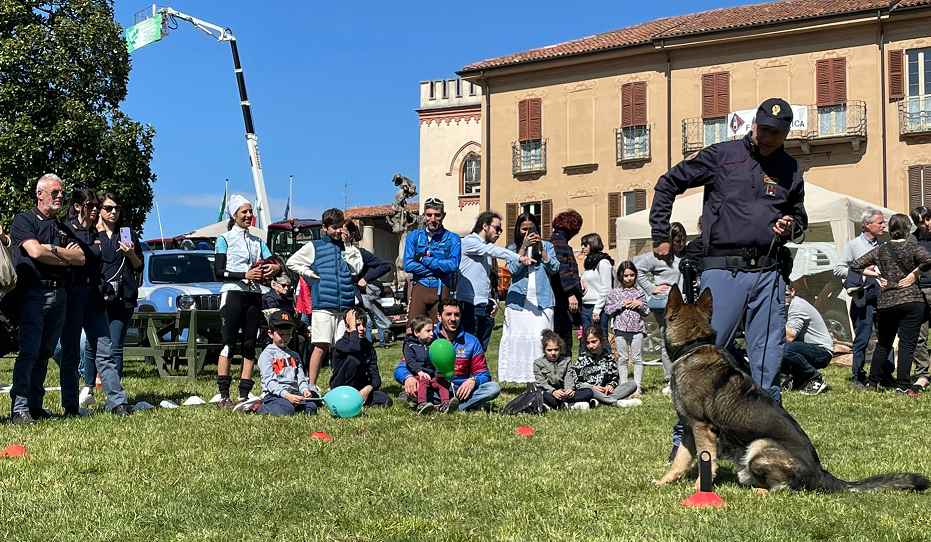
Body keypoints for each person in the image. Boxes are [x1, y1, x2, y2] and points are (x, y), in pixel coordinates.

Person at [649, 98, 807, 403]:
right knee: (706, 351)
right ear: (754, 125)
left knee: (768, 355)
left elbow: (799, 216)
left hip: (769, 272)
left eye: (775, 132)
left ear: (786, 133)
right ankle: (687, 437)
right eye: (763, 129)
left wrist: (791, 226)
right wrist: (660, 233)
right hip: (723, 269)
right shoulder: (722, 155)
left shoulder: (791, 169)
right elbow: (668, 183)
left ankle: (766, 432)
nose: (767, 136)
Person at [8, 174, 85, 424]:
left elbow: (81, 258)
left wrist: (50, 250)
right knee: (29, 351)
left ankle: (35, 405)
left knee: (45, 352)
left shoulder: (61, 228)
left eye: (61, 192)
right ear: (40, 194)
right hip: (34, 293)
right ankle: (20, 408)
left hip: (60, 294)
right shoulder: (24, 220)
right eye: (55, 192)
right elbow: (34, 251)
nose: (60, 196)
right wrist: (60, 254)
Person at [60, 188, 130, 417]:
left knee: (105, 350)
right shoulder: (66, 230)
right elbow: (70, 259)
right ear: (79, 206)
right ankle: (70, 405)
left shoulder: (99, 233)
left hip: (95, 294)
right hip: (73, 292)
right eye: (90, 206)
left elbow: (108, 257)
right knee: (71, 352)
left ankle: (117, 402)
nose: (95, 210)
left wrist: (101, 235)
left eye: (96, 207)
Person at [850, 213, 931, 397]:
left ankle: (872, 383)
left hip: (887, 301)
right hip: (911, 300)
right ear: (908, 229)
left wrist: (877, 275)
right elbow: (928, 260)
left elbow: (856, 265)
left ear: (890, 229)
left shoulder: (881, 250)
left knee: (883, 344)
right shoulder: (913, 248)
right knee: (907, 344)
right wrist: (914, 274)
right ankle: (902, 385)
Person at [214, 195, 281, 410]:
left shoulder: (258, 241)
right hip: (233, 293)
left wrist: (275, 268)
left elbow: (275, 261)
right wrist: (245, 274)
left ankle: (244, 394)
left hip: (254, 294)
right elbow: (219, 271)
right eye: (244, 212)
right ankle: (224, 394)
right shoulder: (224, 239)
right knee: (229, 344)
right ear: (234, 215)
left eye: (251, 211)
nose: (249, 215)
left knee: (250, 344)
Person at [287, 208, 362, 396]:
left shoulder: (348, 247)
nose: (338, 231)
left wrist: (349, 246)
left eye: (340, 227)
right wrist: (309, 273)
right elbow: (292, 262)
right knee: (320, 346)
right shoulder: (315, 247)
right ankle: (311, 385)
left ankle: (338, 383)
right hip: (323, 306)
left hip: (344, 305)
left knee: (341, 348)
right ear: (324, 227)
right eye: (334, 227)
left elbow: (356, 269)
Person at [79, 192, 144, 407]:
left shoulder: (127, 234)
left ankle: (113, 394)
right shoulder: (92, 234)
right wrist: (100, 232)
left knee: (115, 346)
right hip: (98, 295)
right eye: (108, 208)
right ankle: (88, 387)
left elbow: (139, 266)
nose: (113, 212)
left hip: (123, 296)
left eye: (116, 208)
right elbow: (103, 257)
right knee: (92, 344)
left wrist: (131, 253)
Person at [394, 298, 500, 411]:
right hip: (435, 387)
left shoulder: (472, 341)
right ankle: (455, 405)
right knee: (419, 387)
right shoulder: (428, 338)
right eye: (448, 314)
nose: (453, 319)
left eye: (457, 315)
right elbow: (401, 368)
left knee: (493, 388)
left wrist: (473, 380)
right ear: (439, 316)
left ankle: (450, 406)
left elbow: (484, 374)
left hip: (461, 390)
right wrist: (407, 377)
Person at [498, 213, 560, 387]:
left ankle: (543, 382)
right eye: (524, 229)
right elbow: (513, 270)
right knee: (521, 342)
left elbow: (554, 268)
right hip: (519, 303)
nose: (527, 232)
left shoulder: (547, 246)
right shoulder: (511, 248)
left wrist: (541, 248)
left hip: (543, 301)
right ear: (518, 229)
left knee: (541, 340)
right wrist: (523, 249)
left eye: (531, 228)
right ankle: (527, 383)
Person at [457, 211, 530, 351]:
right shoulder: (470, 242)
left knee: (480, 352)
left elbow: (488, 279)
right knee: (466, 350)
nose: (499, 233)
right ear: (485, 225)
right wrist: (519, 257)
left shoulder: (486, 251)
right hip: (469, 305)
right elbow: (493, 250)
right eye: (497, 228)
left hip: (485, 307)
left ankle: (478, 373)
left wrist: (494, 301)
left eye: (500, 229)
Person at [834, 209, 886, 389]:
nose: (883, 226)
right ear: (867, 224)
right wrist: (861, 270)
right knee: (862, 339)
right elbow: (838, 269)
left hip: (882, 298)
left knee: (885, 337)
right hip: (862, 299)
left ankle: (885, 375)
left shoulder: (884, 246)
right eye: (880, 223)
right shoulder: (852, 245)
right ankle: (858, 375)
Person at [633, 222, 686, 391]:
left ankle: (683, 376)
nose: (680, 244)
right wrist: (651, 288)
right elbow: (637, 269)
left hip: (683, 302)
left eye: (683, 240)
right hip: (663, 303)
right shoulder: (657, 257)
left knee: (683, 340)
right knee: (667, 340)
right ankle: (670, 378)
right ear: (670, 240)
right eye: (677, 241)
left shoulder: (684, 255)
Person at [235, 309, 317, 416]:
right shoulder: (266, 355)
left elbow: (300, 377)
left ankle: (292, 405)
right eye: (281, 334)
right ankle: (257, 407)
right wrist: (287, 396)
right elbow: (270, 382)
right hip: (274, 394)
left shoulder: (294, 355)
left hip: (294, 393)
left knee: (311, 407)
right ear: (271, 334)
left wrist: (305, 390)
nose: (285, 338)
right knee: (287, 411)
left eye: (288, 334)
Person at [403, 198, 461, 325]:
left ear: (443, 215)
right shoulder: (414, 237)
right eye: (429, 215)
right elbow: (407, 265)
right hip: (420, 286)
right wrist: (439, 267)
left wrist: (424, 259)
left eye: (437, 215)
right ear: (424, 215)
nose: (433, 219)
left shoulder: (453, 238)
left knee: (440, 332)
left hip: (442, 287)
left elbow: (453, 265)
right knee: (413, 331)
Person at [343, 219, 392, 348]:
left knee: (358, 330)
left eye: (344, 230)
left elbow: (384, 266)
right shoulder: (331, 252)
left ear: (352, 234)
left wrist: (366, 278)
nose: (340, 232)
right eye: (338, 229)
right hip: (335, 298)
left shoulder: (360, 253)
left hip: (353, 298)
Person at [330, 308, 393, 407]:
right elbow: (354, 348)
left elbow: (376, 378)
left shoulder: (369, 347)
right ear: (347, 328)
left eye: (364, 325)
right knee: (354, 360)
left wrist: (368, 388)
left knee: (386, 401)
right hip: (341, 388)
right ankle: (348, 400)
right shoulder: (341, 344)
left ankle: (359, 400)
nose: (362, 328)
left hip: (360, 387)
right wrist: (353, 330)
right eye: (357, 325)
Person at [567, 325, 641, 408]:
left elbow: (614, 377)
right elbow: (575, 381)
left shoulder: (609, 358)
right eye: (588, 343)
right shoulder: (582, 359)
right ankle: (613, 402)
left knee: (632, 384)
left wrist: (610, 386)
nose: (590, 346)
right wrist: (593, 388)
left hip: (605, 392)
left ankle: (600, 400)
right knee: (585, 386)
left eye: (594, 342)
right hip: (589, 392)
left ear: (601, 341)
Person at [605, 261, 650, 397]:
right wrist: (621, 304)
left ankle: (637, 387)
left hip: (637, 329)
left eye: (632, 275)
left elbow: (647, 311)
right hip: (620, 329)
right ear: (620, 276)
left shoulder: (639, 293)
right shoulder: (614, 293)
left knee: (637, 358)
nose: (629, 278)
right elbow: (608, 309)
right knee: (623, 358)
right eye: (626, 276)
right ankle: (624, 386)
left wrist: (639, 304)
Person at [781, 284, 834, 395]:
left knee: (785, 350)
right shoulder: (785, 307)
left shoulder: (797, 306)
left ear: (792, 292)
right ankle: (795, 379)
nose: (782, 297)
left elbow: (790, 337)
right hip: (803, 349)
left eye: (785, 293)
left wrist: (776, 315)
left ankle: (816, 379)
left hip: (822, 351)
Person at [403, 314, 456, 414]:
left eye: (432, 330)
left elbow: (438, 359)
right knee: (424, 381)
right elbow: (410, 361)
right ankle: (422, 404)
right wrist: (420, 372)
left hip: (433, 374)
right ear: (416, 332)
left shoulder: (434, 342)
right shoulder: (409, 344)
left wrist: (439, 372)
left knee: (441, 382)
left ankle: (446, 404)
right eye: (428, 331)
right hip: (419, 374)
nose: (432, 333)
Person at [548, 210, 584, 349]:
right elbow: (561, 269)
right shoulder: (558, 242)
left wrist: (579, 280)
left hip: (561, 298)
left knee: (563, 339)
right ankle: (562, 369)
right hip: (561, 299)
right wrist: (571, 294)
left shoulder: (558, 240)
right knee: (561, 341)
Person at [532, 329, 593, 410]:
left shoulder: (566, 361)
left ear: (560, 349)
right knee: (537, 392)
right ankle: (568, 405)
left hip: (563, 393)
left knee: (588, 392)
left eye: (556, 349)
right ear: (544, 350)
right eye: (549, 350)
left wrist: (569, 390)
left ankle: (557, 404)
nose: (553, 353)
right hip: (548, 392)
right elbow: (541, 382)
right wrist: (553, 391)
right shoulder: (538, 363)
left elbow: (569, 378)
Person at [907, 205, 931, 391]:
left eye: (928, 219)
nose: (927, 224)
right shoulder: (912, 241)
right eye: (922, 222)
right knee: (918, 337)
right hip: (919, 292)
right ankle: (923, 375)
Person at [578, 233, 614, 355]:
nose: (582, 247)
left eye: (585, 244)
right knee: (586, 338)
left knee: (601, 337)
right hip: (586, 305)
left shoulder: (603, 262)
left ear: (593, 244)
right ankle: (586, 367)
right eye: (581, 244)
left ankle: (609, 367)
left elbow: (606, 287)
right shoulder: (589, 263)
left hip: (598, 307)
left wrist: (597, 309)